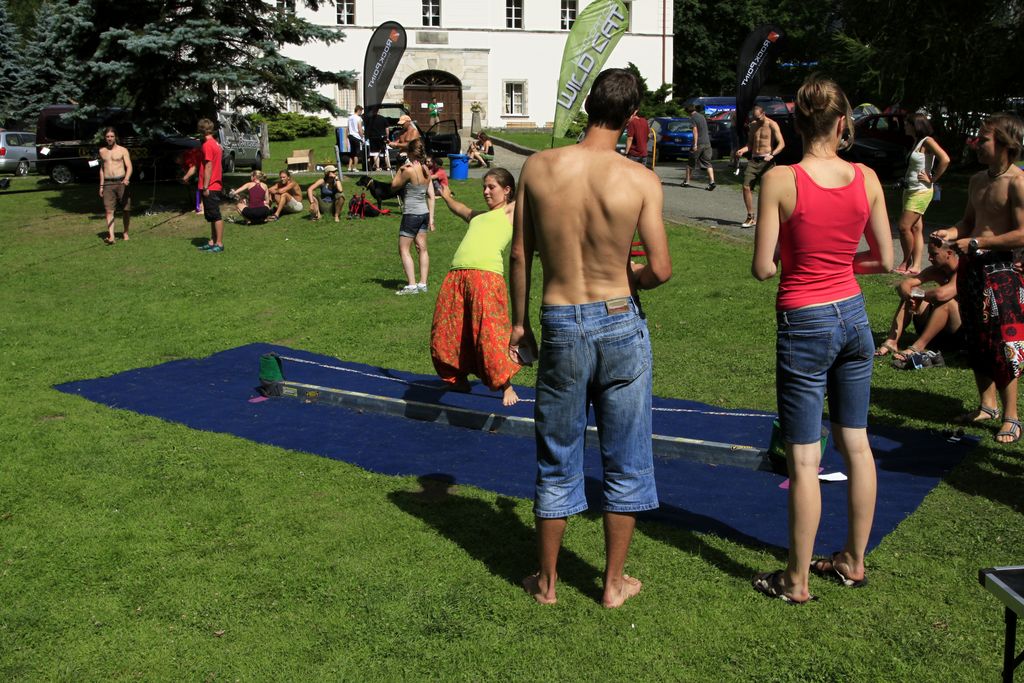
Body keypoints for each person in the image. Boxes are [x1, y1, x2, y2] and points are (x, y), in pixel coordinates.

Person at [509, 68, 672, 608]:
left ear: (587, 106)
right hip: (620, 314)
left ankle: (548, 583)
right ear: (630, 118)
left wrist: (518, 323)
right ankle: (612, 583)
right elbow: (662, 269)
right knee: (625, 455)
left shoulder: (537, 167)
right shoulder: (640, 179)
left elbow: (519, 254)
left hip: (560, 316)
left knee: (558, 451)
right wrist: (633, 279)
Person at [751, 75, 893, 604]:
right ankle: (854, 561)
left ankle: (796, 579)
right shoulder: (868, 178)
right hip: (853, 317)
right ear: (842, 122)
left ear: (797, 122)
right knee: (856, 444)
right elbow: (887, 258)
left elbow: (764, 267)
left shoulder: (780, 180)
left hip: (805, 319)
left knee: (805, 458)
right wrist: (839, 262)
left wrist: (802, 260)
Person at [931, 112, 1024, 443]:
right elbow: (969, 222)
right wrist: (950, 232)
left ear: (1005, 143)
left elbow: (1021, 234)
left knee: (1004, 344)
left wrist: (978, 242)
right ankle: (988, 405)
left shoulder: (1017, 182)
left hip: (1003, 272)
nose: (976, 144)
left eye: (983, 139)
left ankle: (1012, 415)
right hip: (973, 268)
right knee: (976, 336)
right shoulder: (977, 180)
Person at [432, 168, 523, 406]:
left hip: (486, 278)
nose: (485, 191)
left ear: (507, 190)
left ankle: (506, 385)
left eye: (491, 187)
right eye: (484, 186)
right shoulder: (478, 216)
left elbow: (530, 193)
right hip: (456, 277)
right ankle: (458, 379)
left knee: (489, 333)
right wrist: (446, 195)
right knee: (447, 332)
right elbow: (458, 208)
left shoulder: (510, 211)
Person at [876, 240, 961, 364]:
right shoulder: (935, 270)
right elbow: (906, 284)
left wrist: (918, 295)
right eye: (929, 254)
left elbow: (942, 295)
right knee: (911, 294)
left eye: (934, 254)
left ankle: (918, 347)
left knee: (947, 302)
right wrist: (909, 294)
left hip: (958, 333)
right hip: (940, 330)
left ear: (948, 253)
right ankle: (891, 342)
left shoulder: (962, 271)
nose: (930, 258)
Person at [893, 113, 950, 275]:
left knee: (904, 227)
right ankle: (916, 266)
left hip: (921, 191)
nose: (904, 127)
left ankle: (906, 261)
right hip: (910, 189)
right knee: (916, 228)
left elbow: (945, 159)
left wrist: (932, 178)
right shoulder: (917, 143)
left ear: (914, 125)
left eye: (907, 124)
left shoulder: (928, 141)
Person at [390, 138, 435, 295]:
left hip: (411, 213)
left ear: (410, 153)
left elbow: (394, 185)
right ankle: (423, 283)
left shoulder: (408, 170)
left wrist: (401, 168)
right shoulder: (426, 169)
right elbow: (430, 194)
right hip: (423, 213)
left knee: (404, 249)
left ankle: (411, 285)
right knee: (422, 248)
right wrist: (432, 218)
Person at [736, 105, 785, 228]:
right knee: (746, 186)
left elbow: (782, 144)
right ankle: (750, 216)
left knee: (768, 191)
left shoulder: (772, 124)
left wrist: (772, 155)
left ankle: (772, 218)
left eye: (758, 118)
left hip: (767, 160)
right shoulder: (753, 125)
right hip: (754, 159)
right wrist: (743, 150)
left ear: (763, 114)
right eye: (754, 117)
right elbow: (750, 144)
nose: (756, 120)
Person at [196, 118, 226, 253]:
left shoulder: (207, 145)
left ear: (200, 130)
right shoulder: (215, 143)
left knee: (215, 215)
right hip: (214, 184)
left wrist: (206, 186)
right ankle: (212, 241)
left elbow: (208, 166)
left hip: (211, 185)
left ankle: (219, 243)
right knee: (212, 215)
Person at [98, 127, 132, 244]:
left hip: (121, 182)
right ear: (105, 138)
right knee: (109, 210)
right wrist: (101, 186)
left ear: (115, 137)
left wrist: (127, 178)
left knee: (126, 209)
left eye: (112, 136)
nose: (110, 138)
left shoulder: (123, 150)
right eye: (107, 136)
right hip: (108, 183)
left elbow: (129, 167)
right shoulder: (102, 151)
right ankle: (111, 236)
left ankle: (125, 232)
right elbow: (102, 169)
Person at [682, 104, 715, 190]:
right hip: (707, 143)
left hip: (699, 143)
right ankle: (712, 182)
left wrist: (695, 144)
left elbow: (695, 131)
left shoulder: (693, 118)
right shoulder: (702, 116)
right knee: (707, 163)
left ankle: (687, 181)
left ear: (688, 112)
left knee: (690, 163)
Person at [347, 105, 365, 173]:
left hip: (351, 136)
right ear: (359, 110)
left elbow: (348, 127)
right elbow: (360, 128)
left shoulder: (350, 117)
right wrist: (362, 137)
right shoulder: (358, 118)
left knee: (352, 152)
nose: (361, 113)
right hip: (357, 136)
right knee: (357, 154)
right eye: (361, 111)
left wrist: (347, 136)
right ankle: (354, 167)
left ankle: (349, 167)